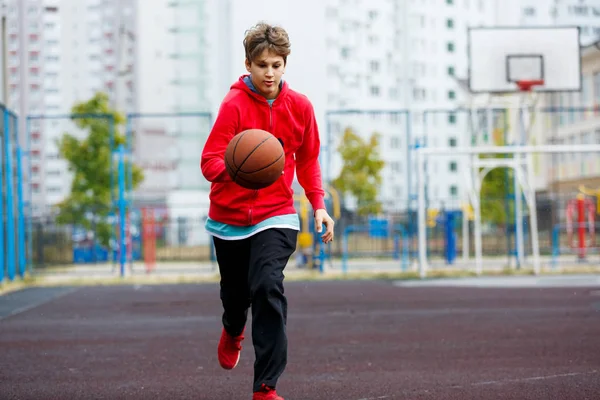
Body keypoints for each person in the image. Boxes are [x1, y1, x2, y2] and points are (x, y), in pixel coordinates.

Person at [200, 22, 335, 400]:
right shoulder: (233, 105)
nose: (270, 73)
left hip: (276, 214)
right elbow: (208, 161)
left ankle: (265, 386)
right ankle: (232, 328)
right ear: (249, 65)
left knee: (267, 286)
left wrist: (319, 206)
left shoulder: (300, 107)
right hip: (228, 218)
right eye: (262, 65)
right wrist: (238, 167)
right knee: (235, 297)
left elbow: (308, 161)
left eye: (276, 64)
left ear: (285, 64)